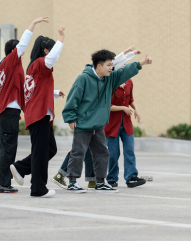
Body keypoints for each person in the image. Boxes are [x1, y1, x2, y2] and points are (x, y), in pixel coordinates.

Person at [62, 47, 152, 193]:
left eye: (112, 65)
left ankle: (100, 182)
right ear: (99, 66)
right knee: (79, 152)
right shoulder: (83, 78)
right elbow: (73, 99)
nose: (112, 68)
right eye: (109, 65)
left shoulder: (109, 79)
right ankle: (72, 182)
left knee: (102, 153)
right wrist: (70, 117)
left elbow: (124, 71)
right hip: (83, 123)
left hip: (98, 124)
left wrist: (141, 63)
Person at [0, 16, 49, 193]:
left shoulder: (2, 64)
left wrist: (53, 93)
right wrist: (33, 24)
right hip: (8, 111)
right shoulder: (11, 62)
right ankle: (2, 183)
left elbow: (23, 89)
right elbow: (23, 44)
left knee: (4, 148)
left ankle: (0, 180)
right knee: (8, 149)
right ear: (14, 52)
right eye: (20, 52)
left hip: (6, 111)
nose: (22, 55)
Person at [10, 26, 66, 198]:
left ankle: (21, 168)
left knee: (49, 149)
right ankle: (38, 188)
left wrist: (54, 93)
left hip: (40, 114)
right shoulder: (40, 64)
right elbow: (53, 58)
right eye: (49, 50)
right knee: (41, 151)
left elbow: (37, 92)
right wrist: (61, 38)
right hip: (39, 115)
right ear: (45, 50)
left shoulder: (34, 68)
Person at [104, 71, 145, 188]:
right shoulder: (110, 83)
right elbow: (106, 105)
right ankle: (111, 179)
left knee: (129, 151)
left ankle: (131, 177)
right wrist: (123, 108)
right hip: (112, 125)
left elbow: (130, 98)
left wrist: (136, 110)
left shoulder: (129, 82)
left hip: (126, 124)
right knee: (113, 153)